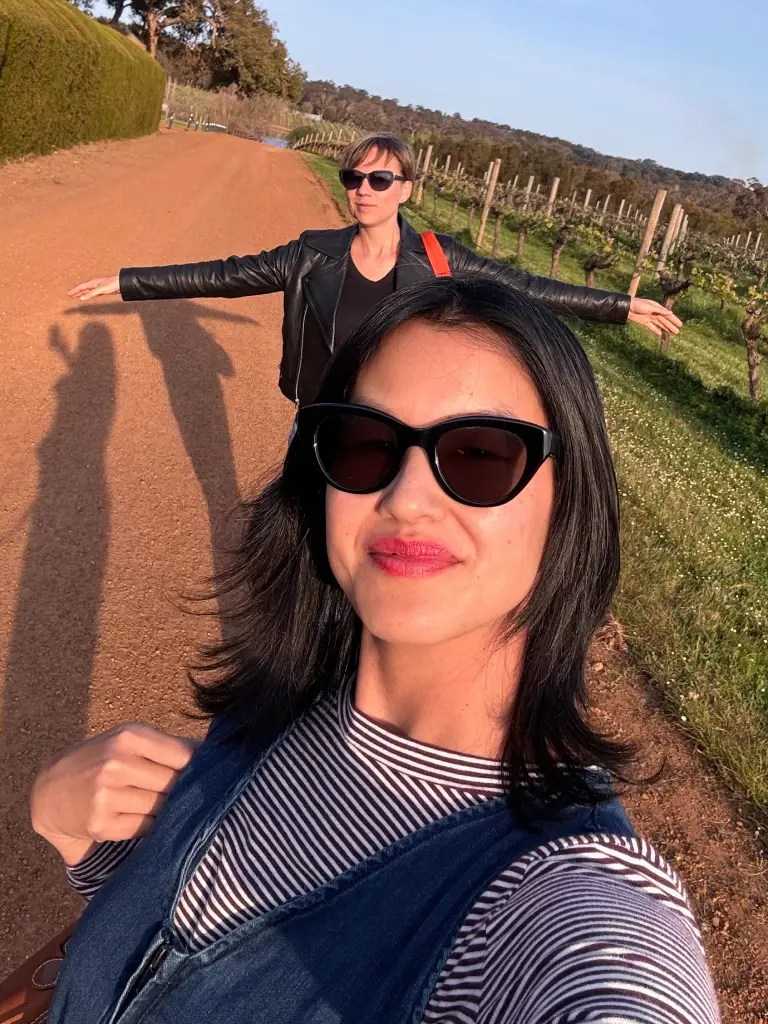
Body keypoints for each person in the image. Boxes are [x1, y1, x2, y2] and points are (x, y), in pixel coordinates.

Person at [33, 279, 717, 1023]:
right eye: (367, 445)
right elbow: (178, 969)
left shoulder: (556, 901)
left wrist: (622, 305)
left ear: (570, 503)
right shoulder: (280, 708)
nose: (407, 497)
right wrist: (75, 836)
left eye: (481, 454)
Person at [68, 133, 681, 407]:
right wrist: (128, 282)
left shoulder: (439, 259)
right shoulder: (311, 253)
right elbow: (223, 274)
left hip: (390, 417)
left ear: (405, 189)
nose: (363, 189)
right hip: (317, 413)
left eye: (379, 179)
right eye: (353, 178)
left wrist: (623, 306)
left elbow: (524, 287)